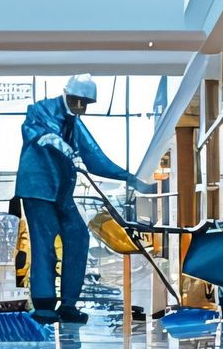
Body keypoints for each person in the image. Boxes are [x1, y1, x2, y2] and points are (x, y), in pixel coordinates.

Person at [14, 75, 149, 324]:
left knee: (78, 236)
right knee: (44, 244)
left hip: (62, 192)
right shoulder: (40, 110)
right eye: (78, 101)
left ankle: (68, 304)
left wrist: (129, 178)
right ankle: (44, 304)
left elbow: (94, 156)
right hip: (38, 190)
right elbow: (40, 134)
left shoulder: (74, 124)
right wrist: (63, 148)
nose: (81, 108)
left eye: (85, 104)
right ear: (68, 95)